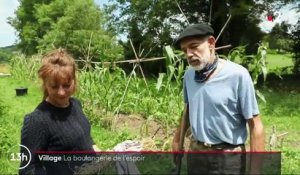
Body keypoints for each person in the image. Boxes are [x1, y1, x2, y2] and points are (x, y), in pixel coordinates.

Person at [172, 23, 265, 174]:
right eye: (184, 50)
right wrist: (177, 140)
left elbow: (256, 126)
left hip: (228, 158)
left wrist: (255, 171)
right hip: (196, 153)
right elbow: (188, 110)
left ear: (211, 43)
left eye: (194, 46)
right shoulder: (189, 75)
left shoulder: (237, 75)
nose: (189, 54)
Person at [19, 48, 100, 175]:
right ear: (45, 84)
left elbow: (85, 138)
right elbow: (28, 169)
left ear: (74, 81)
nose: (61, 92)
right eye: (54, 86)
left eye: (66, 85)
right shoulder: (37, 121)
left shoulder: (76, 105)